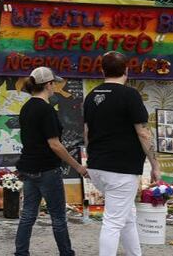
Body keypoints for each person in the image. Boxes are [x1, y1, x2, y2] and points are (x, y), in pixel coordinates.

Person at [83, 51, 160, 256]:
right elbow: (143, 132)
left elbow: (87, 133)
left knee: (127, 216)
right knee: (113, 222)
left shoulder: (91, 96)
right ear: (127, 70)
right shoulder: (130, 95)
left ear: (102, 71)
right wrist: (155, 165)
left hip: (97, 166)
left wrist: (93, 158)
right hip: (121, 169)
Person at [15, 67, 88, 256]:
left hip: (29, 168)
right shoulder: (46, 110)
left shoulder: (26, 107)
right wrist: (78, 166)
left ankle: (21, 253)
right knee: (58, 217)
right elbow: (55, 144)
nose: (55, 86)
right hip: (47, 169)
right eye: (53, 83)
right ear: (48, 85)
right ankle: (66, 253)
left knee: (28, 215)